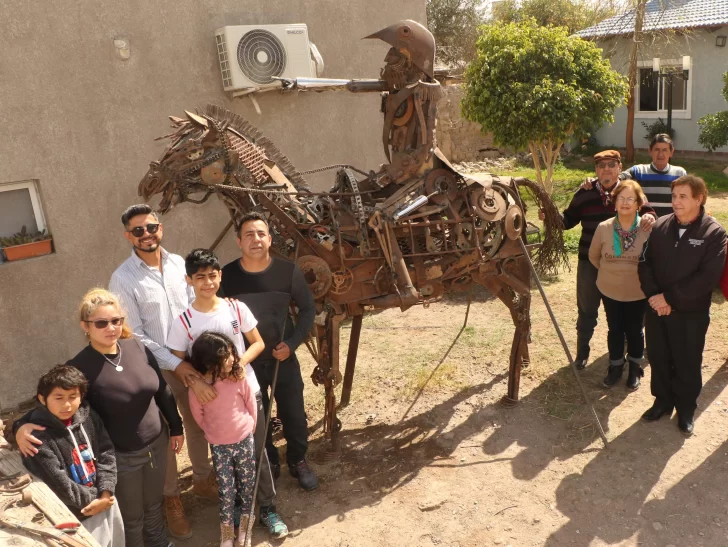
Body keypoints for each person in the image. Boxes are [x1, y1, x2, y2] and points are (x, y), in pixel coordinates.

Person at [15, 289, 184, 547]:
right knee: (132, 515)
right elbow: (53, 401)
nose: (111, 328)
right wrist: (19, 426)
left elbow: (161, 388)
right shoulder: (80, 367)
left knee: (153, 504)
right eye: (101, 323)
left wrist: (176, 427)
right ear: (86, 326)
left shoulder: (137, 347)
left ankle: (160, 542)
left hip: (157, 444)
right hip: (121, 455)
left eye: (116, 321)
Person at [108, 204, 216, 539]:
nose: (146, 234)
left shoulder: (179, 264)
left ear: (161, 228)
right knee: (169, 436)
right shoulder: (123, 278)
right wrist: (176, 364)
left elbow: (194, 310)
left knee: (199, 422)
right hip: (157, 369)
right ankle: (172, 500)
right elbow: (134, 334)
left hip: (192, 362)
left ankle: (202, 479)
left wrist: (197, 360)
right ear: (129, 236)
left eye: (151, 227)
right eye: (138, 230)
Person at [166, 248, 289, 538]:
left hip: (248, 394)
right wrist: (197, 383)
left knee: (257, 452)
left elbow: (257, 343)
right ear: (189, 280)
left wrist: (238, 366)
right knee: (225, 460)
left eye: (212, 276)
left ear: (220, 276)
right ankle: (235, 509)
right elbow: (176, 360)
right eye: (200, 277)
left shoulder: (235, 308)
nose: (207, 282)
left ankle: (268, 508)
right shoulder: (183, 321)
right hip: (213, 405)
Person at [218, 212, 318, 493]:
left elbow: (308, 309)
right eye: (249, 234)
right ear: (239, 241)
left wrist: (293, 343)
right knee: (256, 419)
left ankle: (298, 460)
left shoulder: (288, 272)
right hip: (247, 364)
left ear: (270, 240)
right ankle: (270, 461)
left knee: (294, 414)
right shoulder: (227, 277)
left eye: (261, 234)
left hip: (282, 357)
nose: (256, 239)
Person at [543, 150, 656, 370]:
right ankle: (582, 351)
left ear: (619, 167)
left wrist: (650, 216)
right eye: (601, 166)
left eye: (611, 165)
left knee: (627, 310)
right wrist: (550, 217)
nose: (606, 169)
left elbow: (648, 210)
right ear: (596, 170)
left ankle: (625, 352)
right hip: (590, 263)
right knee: (587, 310)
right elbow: (567, 221)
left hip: (624, 264)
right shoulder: (584, 194)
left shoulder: (629, 191)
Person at [638, 175, 727, 435]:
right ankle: (663, 401)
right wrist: (656, 297)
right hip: (656, 309)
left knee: (687, 361)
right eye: (674, 196)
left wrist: (670, 298)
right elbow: (645, 264)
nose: (675, 201)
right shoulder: (660, 226)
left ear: (699, 199)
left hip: (690, 313)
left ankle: (686, 408)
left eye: (683, 196)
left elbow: (708, 277)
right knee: (658, 356)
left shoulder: (714, 232)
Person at [21, 365, 125, 547]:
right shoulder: (36, 436)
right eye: (58, 397)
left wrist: (106, 492)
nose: (67, 404)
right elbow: (58, 482)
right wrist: (97, 501)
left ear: (81, 396)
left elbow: (106, 453)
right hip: (74, 516)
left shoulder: (89, 417)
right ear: (42, 399)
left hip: (106, 502)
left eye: (73, 397)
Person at [188, 333, 259, 547]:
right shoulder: (199, 388)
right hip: (219, 447)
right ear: (209, 363)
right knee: (226, 492)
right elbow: (198, 415)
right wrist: (214, 433)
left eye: (231, 353)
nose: (232, 359)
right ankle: (227, 534)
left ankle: (245, 530)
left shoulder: (239, 377)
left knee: (247, 487)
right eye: (225, 356)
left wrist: (250, 428)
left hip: (244, 441)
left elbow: (251, 404)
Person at [589, 181, 650, 390]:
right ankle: (615, 367)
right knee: (614, 329)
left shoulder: (647, 228)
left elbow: (654, 261)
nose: (625, 203)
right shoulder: (604, 227)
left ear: (638, 203)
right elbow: (594, 257)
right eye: (620, 198)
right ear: (614, 203)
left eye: (630, 199)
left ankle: (635, 368)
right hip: (610, 289)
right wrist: (613, 272)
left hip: (637, 292)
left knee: (634, 330)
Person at [621, 134, 687, 217]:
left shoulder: (680, 174)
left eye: (665, 150)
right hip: (644, 225)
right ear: (650, 151)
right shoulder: (639, 172)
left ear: (671, 152)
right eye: (657, 150)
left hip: (670, 226)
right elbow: (620, 178)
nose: (660, 154)